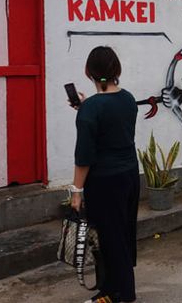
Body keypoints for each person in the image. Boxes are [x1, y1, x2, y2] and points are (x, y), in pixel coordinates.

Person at [71, 46, 139, 303]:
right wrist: (85, 108)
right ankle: (112, 289)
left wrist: (76, 192)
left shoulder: (91, 108)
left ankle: (122, 294)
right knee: (121, 233)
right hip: (130, 175)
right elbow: (111, 125)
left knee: (110, 238)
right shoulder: (128, 99)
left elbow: (84, 156)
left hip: (104, 181)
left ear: (88, 72)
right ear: (116, 71)